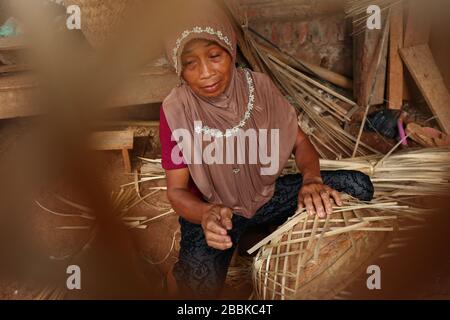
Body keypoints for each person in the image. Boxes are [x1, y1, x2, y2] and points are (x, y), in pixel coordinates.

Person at [159, 0, 374, 299]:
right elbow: (176, 192)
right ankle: (223, 249)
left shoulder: (258, 88)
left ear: (230, 49)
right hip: (216, 215)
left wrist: (311, 180)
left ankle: (258, 233)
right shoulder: (176, 110)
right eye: (190, 63)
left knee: (357, 185)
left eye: (214, 56)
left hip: (266, 197)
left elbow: (300, 142)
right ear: (177, 67)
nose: (206, 73)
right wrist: (206, 214)